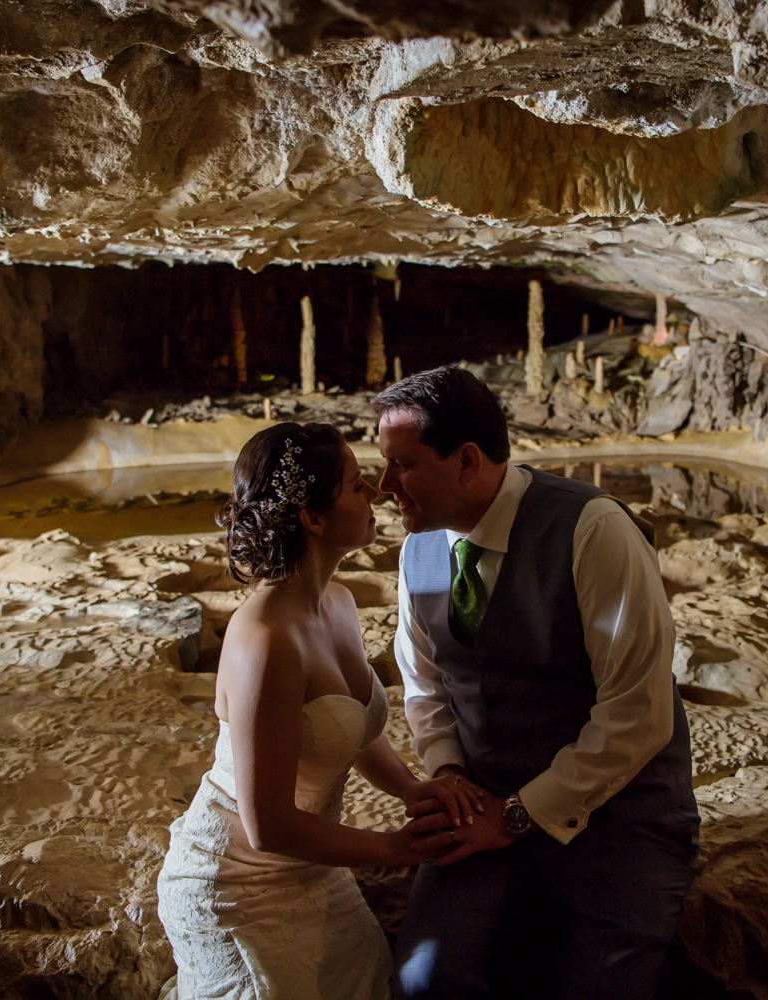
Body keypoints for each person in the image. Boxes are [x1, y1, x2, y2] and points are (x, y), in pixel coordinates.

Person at [374, 366, 700, 1000]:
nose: (385, 486)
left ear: (467, 462)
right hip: (482, 812)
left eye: (403, 465)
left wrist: (517, 815)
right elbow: (425, 684)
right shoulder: (417, 553)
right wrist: (446, 774)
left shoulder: (593, 530)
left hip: (619, 821)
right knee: (424, 982)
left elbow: (637, 712)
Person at [156, 421, 485, 1000]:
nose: (376, 492)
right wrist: (391, 847)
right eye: (357, 485)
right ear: (312, 517)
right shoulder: (264, 640)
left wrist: (410, 789)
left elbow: (350, 729)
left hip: (310, 867)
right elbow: (266, 825)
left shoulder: (337, 602)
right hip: (239, 882)